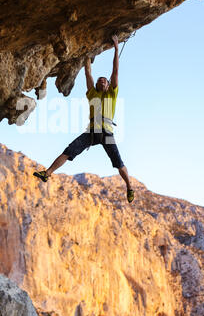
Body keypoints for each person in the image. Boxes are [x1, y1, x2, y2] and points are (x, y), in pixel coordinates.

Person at [33, 35, 134, 203]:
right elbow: (88, 72)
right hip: (92, 133)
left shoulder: (112, 94)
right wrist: (87, 53)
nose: (102, 82)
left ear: (108, 85)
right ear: (95, 86)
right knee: (69, 150)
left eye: (104, 81)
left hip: (107, 133)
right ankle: (47, 173)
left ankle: (129, 187)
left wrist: (116, 49)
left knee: (118, 162)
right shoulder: (92, 93)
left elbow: (115, 71)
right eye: (99, 81)